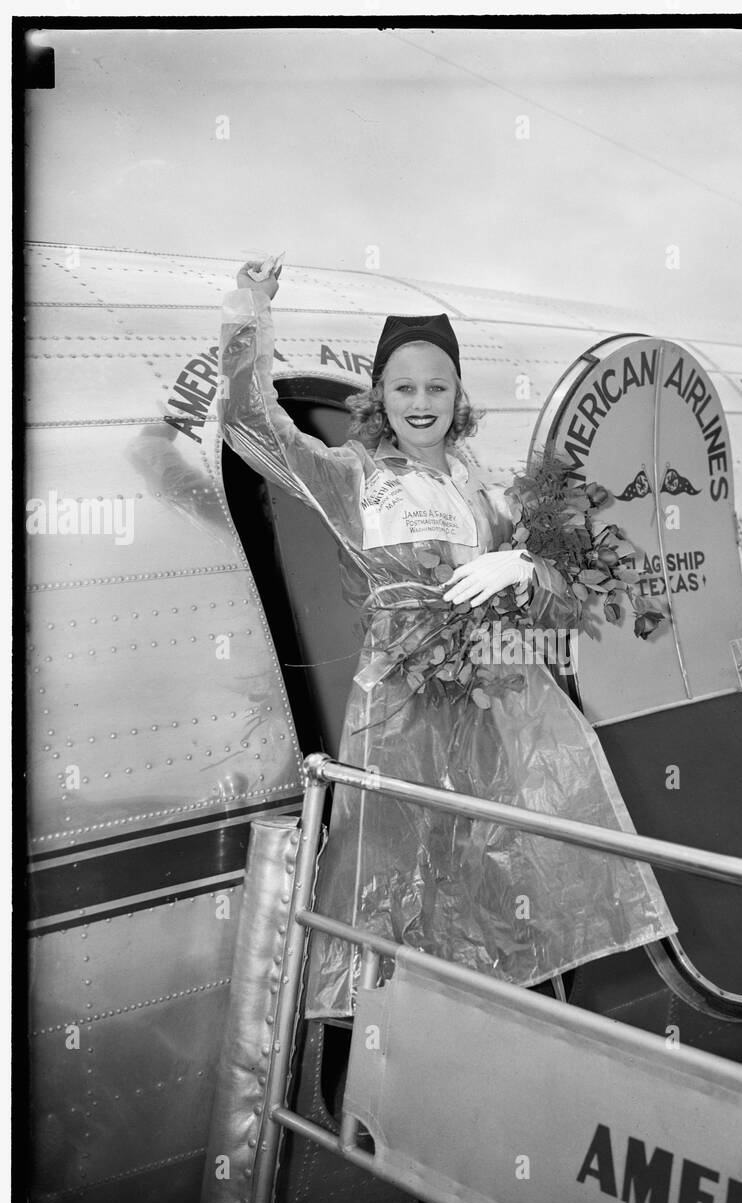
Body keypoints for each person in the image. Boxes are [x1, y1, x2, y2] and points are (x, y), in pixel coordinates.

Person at [218, 259, 678, 1023]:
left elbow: (565, 587)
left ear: (459, 396)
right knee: (398, 875)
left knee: (508, 870)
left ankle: (510, 1034)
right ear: (379, 397)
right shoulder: (352, 477)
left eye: (437, 386)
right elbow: (248, 422)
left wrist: (523, 562)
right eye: (403, 387)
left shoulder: (480, 487)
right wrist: (249, 310)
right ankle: (394, 1044)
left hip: (503, 708)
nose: (421, 402)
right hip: (402, 712)